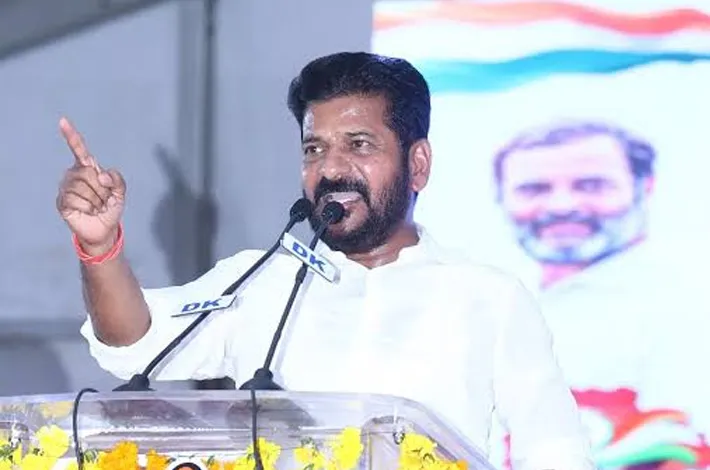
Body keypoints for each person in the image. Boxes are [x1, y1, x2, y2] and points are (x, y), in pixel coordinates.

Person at [57, 52, 592, 470]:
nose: (331, 169)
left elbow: (555, 451)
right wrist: (100, 247)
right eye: (314, 149)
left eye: (359, 145)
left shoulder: (489, 298)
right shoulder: (262, 280)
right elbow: (133, 344)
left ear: (418, 164)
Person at [490, 121, 710, 469]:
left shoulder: (689, 300)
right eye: (534, 189)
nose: (562, 205)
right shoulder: (487, 297)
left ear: (644, 187)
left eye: (592, 186)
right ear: (501, 198)